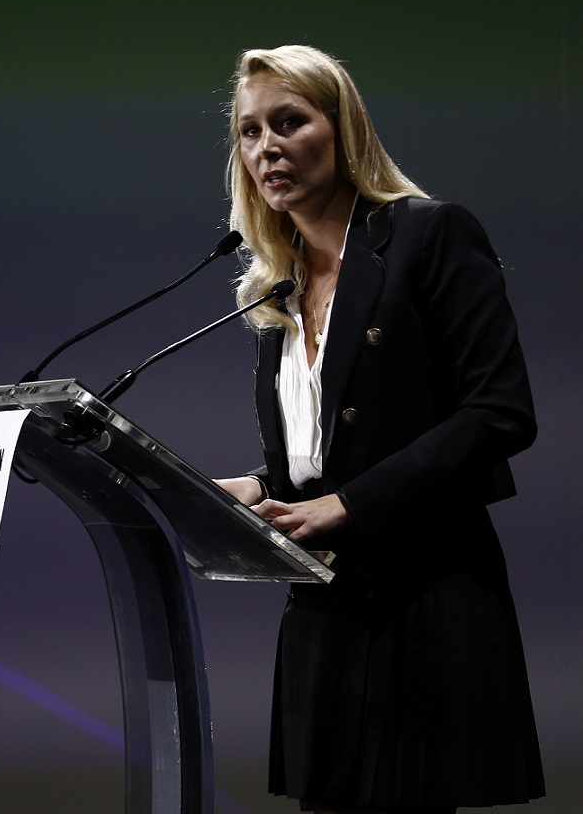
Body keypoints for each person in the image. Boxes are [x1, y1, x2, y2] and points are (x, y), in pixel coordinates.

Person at [214, 45, 543, 814]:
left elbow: (500, 412)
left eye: (290, 122)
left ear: (344, 128)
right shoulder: (276, 289)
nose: (268, 147)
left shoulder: (429, 237)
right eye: (250, 132)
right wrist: (257, 488)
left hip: (422, 600)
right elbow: (321, 454)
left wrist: (349, 506)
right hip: (326, 613)